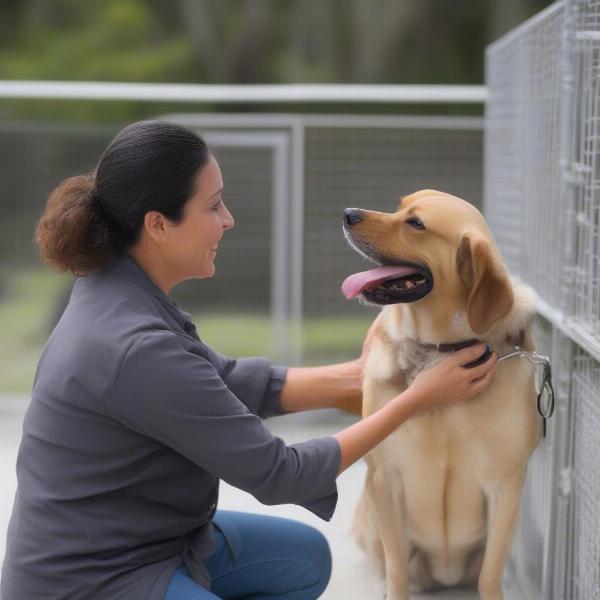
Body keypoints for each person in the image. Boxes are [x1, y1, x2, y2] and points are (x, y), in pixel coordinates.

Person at [0, 120, 497, 600]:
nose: (228, 219)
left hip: (154, 542)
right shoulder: (134, 347)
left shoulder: (119, 290)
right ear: (157, 225)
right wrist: (415, 398)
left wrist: (356, 375)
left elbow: (226, 382)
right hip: (92, 580)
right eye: (213, 206)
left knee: (304, 560)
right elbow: (282, 472)